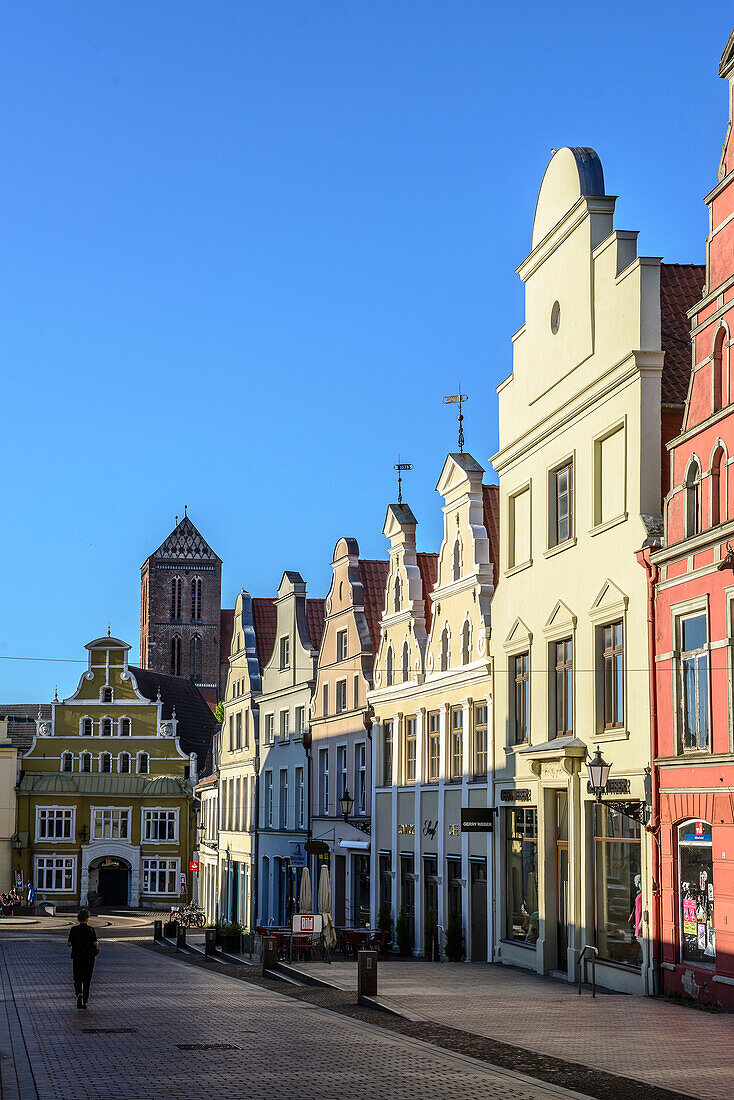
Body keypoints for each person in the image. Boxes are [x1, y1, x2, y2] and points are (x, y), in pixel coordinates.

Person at [67, 908, 98, 1009]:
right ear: (87, 918)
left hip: (77, 957)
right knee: (87, 980)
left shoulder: (74, 930)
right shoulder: (91, 929)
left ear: (78, 918)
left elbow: (69, 944)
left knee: (77, 978)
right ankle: (85, 1001)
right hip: (89, 958)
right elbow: (95, 943)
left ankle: (79, 993)